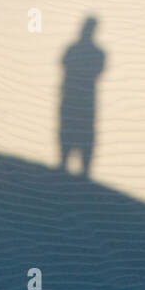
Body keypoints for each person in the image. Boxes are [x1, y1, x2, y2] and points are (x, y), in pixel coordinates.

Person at [59, 17, 106, 176]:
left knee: (83, 136)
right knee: (68, 132)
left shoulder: (91, 52)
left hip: (82, 101)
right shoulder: (76, 50)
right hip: (73, 99)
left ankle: (82, 172)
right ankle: (64, 165)